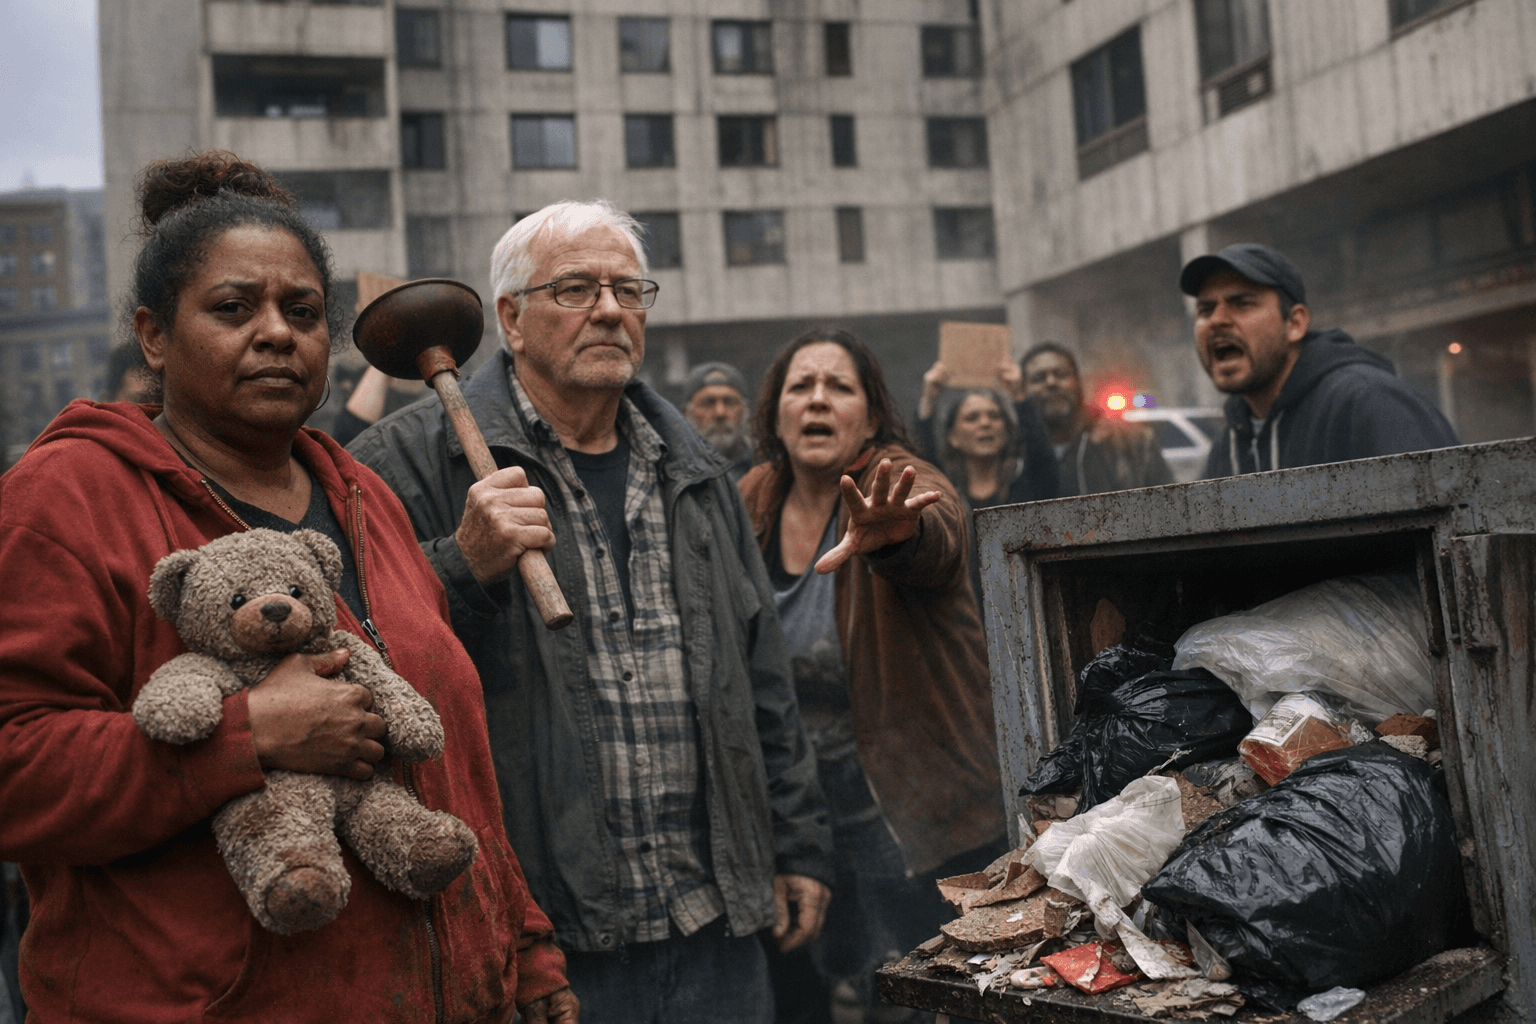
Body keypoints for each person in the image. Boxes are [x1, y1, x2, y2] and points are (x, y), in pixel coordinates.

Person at [0, 151, 575, 1024]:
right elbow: (15, 767)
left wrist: (522, 951)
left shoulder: (363, 493)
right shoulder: (68, 497)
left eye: (302, 312)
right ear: (155, 336)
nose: (277, 333)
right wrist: (248, 735)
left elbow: (450, 757)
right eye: (233, 308)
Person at [347, 200, 833, 1024]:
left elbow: (763, 685)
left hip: (714, 929)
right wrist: (460, 565)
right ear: (512, 319)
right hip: (537, 945)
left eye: (628, 290)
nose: (610, 310)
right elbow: (356, 663)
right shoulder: (398, 464)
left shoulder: (698, 472)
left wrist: (797, 845)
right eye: (575, 289)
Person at [738, 329, 1005, 1022]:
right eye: (801, 386)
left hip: (912, 809)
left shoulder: (904, 483)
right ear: (774, 412)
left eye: (839, 386)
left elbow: (939, 536)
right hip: (797, 809)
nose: (818, 399)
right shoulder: (751, 500)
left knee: (925, 994)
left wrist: (900, 540)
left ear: (872, 413)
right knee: (807, 990)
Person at [1180, 243, 1458, 476]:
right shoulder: (1229, 444)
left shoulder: (1369, 403)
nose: (1217, 320)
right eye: (1206, 309)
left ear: (1295, 324)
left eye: (1242, 303)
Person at [1018, 343, 1174, 495]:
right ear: (1023, 391)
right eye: (1038, 378)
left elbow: (1169, 505)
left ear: (1078, 383)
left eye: (1061, 374)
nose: (1051, 383)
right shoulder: (1015, 455)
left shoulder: (1133, 443)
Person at [682, 361, 754, 480]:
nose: (720, 413)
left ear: (745, 412)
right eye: (708, 403)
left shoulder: (771, 467)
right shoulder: (668, 472)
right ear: (686, 413)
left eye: (730, 402)